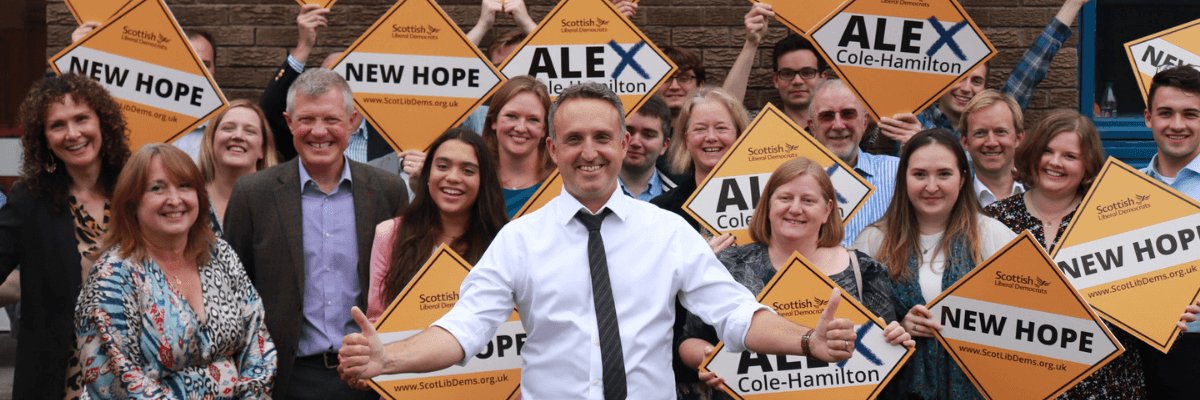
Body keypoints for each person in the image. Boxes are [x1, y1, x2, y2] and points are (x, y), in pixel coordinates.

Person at [338, 82, 858, 399]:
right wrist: (388, 359)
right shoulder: (520, 239)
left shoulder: (668, 232)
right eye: (574, 139)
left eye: (602, 138)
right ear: (552, 149)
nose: (590, 152)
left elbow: (737, 316)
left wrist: (806, 341)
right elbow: (462, 330)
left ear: (624, 143)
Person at [223, 68, 409, 399]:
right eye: (307, 119)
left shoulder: (388, 191)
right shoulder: (253, 194)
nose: (319, 131)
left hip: (367, 376)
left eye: (331, 119)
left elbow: (402, 283)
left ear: (352, 121)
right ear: (289, 122)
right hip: (285, 378)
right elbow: (233, 291)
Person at [679, 158, 914, 398]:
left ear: (827, 210)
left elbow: (884, 361)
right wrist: (709, 358)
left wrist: (895, 340)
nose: (795, 208)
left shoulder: (864, 270)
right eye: (785, 198)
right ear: (768, 204)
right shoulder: (729, 264)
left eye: (808, 200)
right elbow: (689, 340)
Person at [74, 144, 276, 396]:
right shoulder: (113, 275)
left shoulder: (219, 253)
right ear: (132, 202)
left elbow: (257, 340)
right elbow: (116, 378)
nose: (174, 199)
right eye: (157, 188)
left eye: (184, 186)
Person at [852, 129, 1017, 400]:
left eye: (944, 174)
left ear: (962, 178)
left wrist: (971, 323)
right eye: (919, 174)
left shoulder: (992, 235)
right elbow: (856, 333)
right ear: (903, 179)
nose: (931, 186)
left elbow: (1025, 321)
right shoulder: (873, 241)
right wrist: (900, 327)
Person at [0, 74, 131, 399]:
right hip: (57, 379)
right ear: (44, 138)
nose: (73, 134)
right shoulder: (29, 199)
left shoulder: (135, 190)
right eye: (57, 125)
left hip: (134, 374)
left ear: (102, 122)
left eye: (81, 119)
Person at [880, 0, 1089, 143]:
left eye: (976, 81)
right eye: (960, 78)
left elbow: (1034, 64)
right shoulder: (912, 116)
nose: (966, 88)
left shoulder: (994, 115)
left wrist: (1074, 3)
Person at [366, 128, 507, 322]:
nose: (453, 177)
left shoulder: (505, 240)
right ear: (427, 174)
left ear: (484, 181)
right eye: (442, 166)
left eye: (468, 171)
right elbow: (378, 319)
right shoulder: (389, 234)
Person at [260, 4, 393, 163]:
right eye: (328, 81)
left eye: (347, 80)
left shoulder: (390, 135)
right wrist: (304, 46)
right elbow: (269, 112)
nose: (338, 88)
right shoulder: (304, 130)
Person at [1139, 64, 1200, 399]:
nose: (1177, 125)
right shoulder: (1121, 189)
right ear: (1149, 118)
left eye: (1190, 114)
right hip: (1136, 351)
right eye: (1166, 113)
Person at [807, 79, 899, 246]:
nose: (838, 125)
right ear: (812, 127)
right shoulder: (790, 181)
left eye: (848, 114)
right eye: (827, 116)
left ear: (864, 122)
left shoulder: (897, 173)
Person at [653, 86, 749, 236]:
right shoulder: (662, 210)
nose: (711, 137)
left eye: (721, 128)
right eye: (700, 129)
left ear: (739, 135)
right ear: (686, 139)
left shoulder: (766, 201)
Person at [198, 99, 279, 235]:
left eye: (250, 131)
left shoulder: (280, 205)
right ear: (211, 141)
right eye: (228, 128)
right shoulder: (189, 201)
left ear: (263, 149)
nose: (238, 136)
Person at [481, 75, 555, 218]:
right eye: (511, 116)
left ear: (544, 129)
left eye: (533, 120)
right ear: (493, 121)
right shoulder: (474, 182)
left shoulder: (561, 184)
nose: (521, 128)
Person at [959, 90, 1026, 207]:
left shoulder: (1043, 195)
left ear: (1018, 138)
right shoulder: (954, 202)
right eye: (980, 133)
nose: (991, 143)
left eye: (1000, 131)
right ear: (965, 141)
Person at [172, 30, 220, 161]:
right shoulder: (146, 119)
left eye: (205, 65)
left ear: (214, 70)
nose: (198, 71)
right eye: (189, 62)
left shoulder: (226, 123)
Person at [619, 94, 675, 201]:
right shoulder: (588, 191)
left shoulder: (680, 198)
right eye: (628, 131)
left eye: (648, 135)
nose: (635, 142)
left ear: (664, 145)